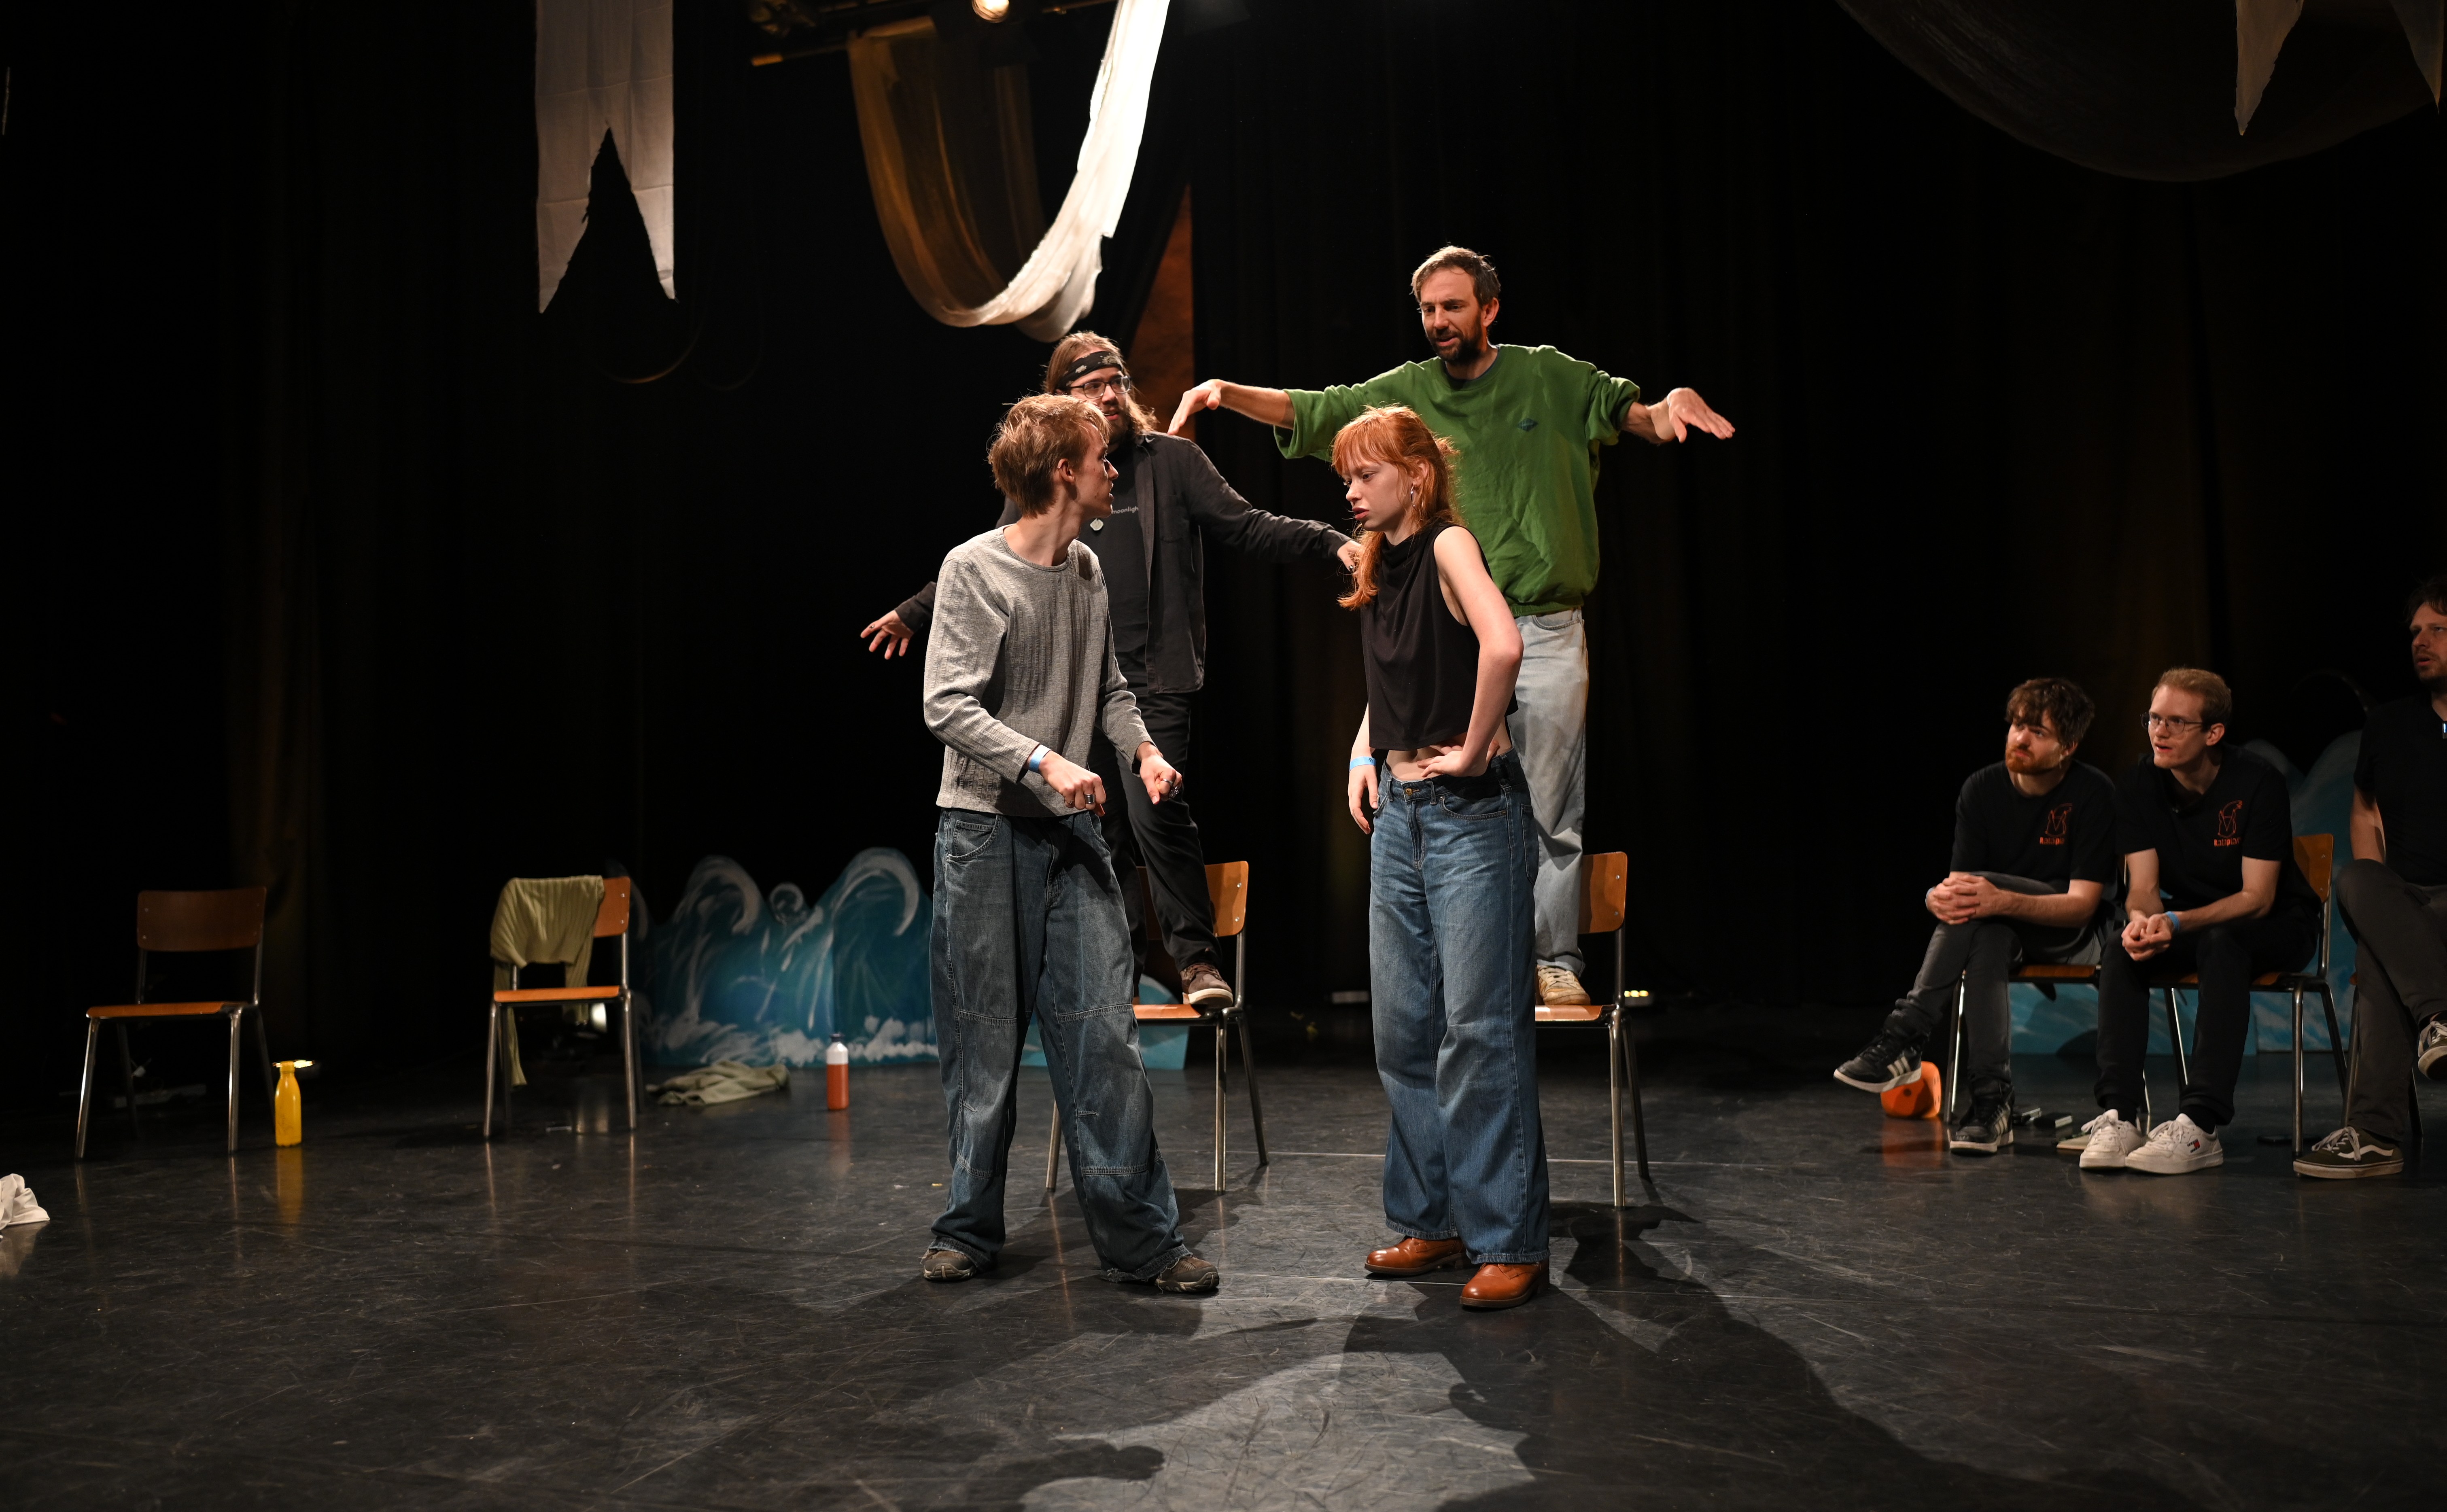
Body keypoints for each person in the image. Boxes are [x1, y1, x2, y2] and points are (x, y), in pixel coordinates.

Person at [1170, 246, 1733, 1009]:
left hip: (1542, 622)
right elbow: (1318, 410)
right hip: (1449, 632)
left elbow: (1642, 419)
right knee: (1448, 802)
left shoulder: (1549, 375)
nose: (1439, 321)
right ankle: (1469, 964)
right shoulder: (1407, 393)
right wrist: (1224, 392)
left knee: (1550, 799)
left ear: (1489, 308)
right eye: (1428, 309)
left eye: (1454, 306)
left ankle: (1552, 957)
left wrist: (1670, 409)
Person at [867, 334, 1356, 1010]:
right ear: (1061, 408)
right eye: (1090, 386)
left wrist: (1329, 541)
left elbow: (1249, 526)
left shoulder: (1170, 463)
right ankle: (1113, 977)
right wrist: (915, 611)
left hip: (1150, 683)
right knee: (1100, 831)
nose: (1108, 395)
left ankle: (1195, 960)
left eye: (1115, 382)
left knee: (1157, 811)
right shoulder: (1055, 482)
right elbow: (995, 550)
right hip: (1078, 688)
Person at [917, 392, 1217, 1294]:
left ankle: (1142, 1240)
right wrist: (1044, 759)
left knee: (1105, 1039)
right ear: (1062, 472)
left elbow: (1111, 686)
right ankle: (968, 1227)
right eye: (1101, 459)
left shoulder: (1085, 568)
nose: (1113, 471)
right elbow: (946, 705)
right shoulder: (974, 569)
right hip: (984, 835)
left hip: (1070, 837)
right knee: (983, 1044)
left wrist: (1143, 751)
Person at [1331, 405, 1544, 1311]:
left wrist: (1476, 742)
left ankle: (1506, 1238)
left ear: (1415, 475)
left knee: (1478, 1030)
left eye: (1365, 474)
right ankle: (1432, 1218)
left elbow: (1503, 643)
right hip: (1402, 813)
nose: (1351, 492)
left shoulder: (1449, 543)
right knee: (1405, 1029)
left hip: (1469, 815)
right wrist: (1362, 752)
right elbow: (1396, 677)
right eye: (1346, 477)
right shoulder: (1378, 561)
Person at [1832, 679, 2118, 1154]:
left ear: (2067, 747)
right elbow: (1957, 896)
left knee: (1981, 894)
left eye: (2037, 732)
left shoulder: (2092, 792)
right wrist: (1933, 897)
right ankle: (1990, 1102)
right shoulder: (1981, 788)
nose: (2020, 738)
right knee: (1986, 938)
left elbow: (2081, 907)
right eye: (2016, 725)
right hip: (2003, 931)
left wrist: (1995, 898)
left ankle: (1905, 1033)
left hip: (2076, 935)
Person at [2079, 668, 2320, 1175]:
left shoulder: (2256, 781)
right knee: (2121, 947)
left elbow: (2257, 898)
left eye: (2175, 722)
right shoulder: (2139, 783)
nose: (2158, 732)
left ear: (2213, 733)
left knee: (2222, 942)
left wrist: (2174, 919)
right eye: (2153, 718)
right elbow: (2142, 887)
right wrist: (2142, 922)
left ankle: (2200, 1125)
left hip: (2278, 924)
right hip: (2192, 922)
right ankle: (2120, 1115)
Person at [2298, 574, 2447, 1178]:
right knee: (2357, 878)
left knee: (2381, 957)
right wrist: (2387, 903)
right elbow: (2364, 809)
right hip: (2407, 898)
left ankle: (2372, 1135)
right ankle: (2439, 1018)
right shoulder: (2388, 724)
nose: (2419, 642)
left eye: (2436, 630)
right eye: (2414, 632)